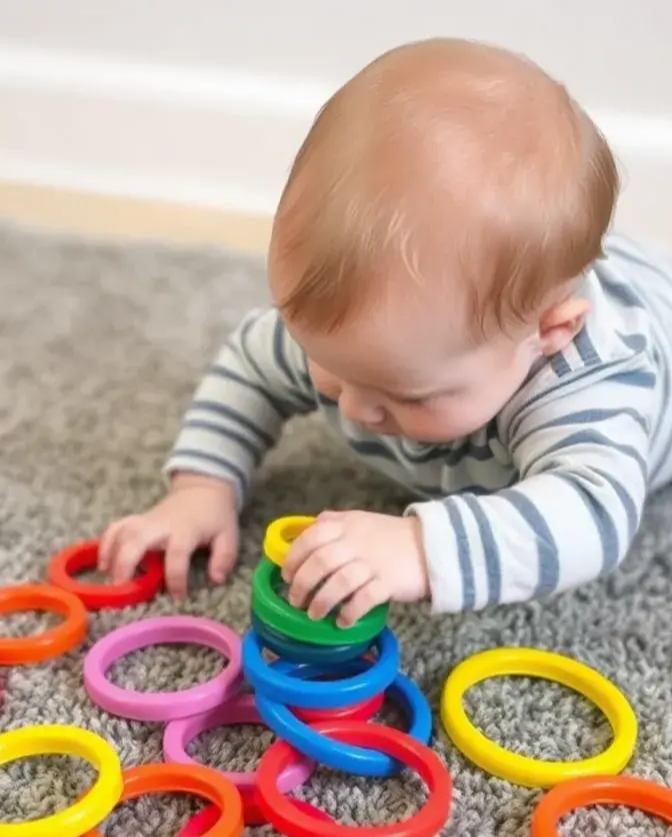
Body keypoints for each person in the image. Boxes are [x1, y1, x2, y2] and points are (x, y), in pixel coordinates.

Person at [99, 38, 672, 625]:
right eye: (330, 365)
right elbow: (248, 368)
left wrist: (419, 547)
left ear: (547, 334)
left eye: (409, 394)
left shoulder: (590, 378)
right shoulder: (355, 330)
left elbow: (594, 514)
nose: (353, 409)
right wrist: (202, 486)